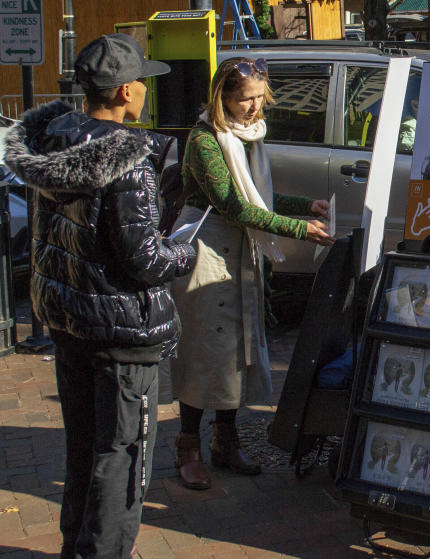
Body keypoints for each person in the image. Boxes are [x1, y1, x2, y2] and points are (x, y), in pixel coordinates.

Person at [3, 34, 197, 557]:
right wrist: (186, 253)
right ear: (126, 91)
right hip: (119, 332)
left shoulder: (52, 140)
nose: (146, 92)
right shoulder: (127, 159)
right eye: (142, 84)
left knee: (84, 450)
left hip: (70, 323)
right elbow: (144, 259)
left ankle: (78, 546)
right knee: (121, 457)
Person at [169, 57, 334, 491]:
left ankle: (226, 442)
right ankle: (188, 446)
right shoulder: (206, 140)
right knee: (204, 352)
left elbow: (260, 197)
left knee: (236, 354)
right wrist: (300, 229)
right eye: (246, 99)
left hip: (240, 252)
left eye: (261, 97)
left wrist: (305, 206)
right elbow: (235, 206)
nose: (255, 107)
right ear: (222, 97)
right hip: (207, 251)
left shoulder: (249, 137)